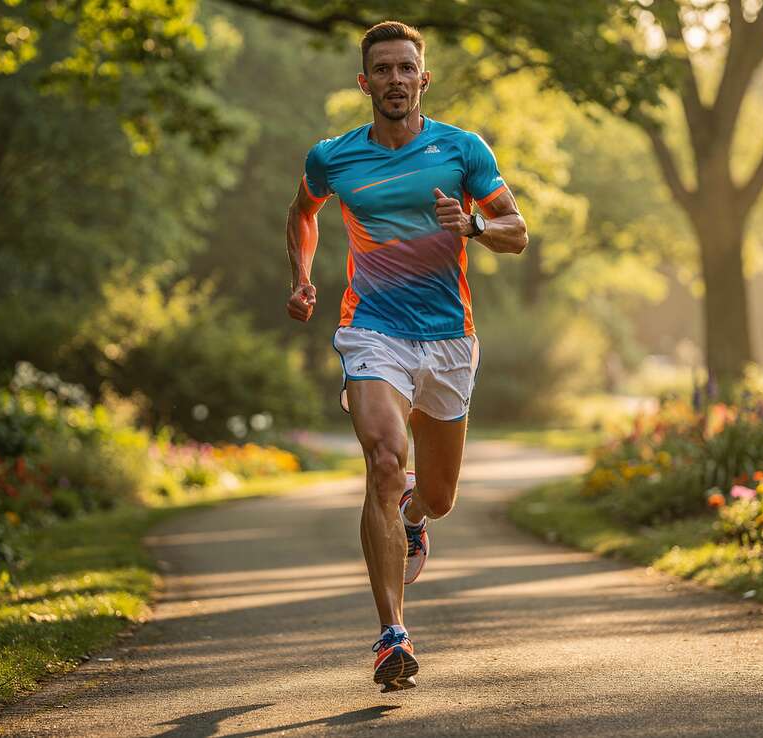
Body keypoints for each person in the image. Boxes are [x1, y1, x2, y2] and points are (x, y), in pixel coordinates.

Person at [285, 20, 528, 692]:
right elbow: (302, 212)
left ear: (423, 79)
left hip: (448, 338)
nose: (395, 80)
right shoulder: (333, 157)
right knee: (386, 460)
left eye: (405, 69)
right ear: (365, 83)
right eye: (382, 69)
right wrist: (303, 277)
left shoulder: (461, 149)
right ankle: (393, 634)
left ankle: (417, 520)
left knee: (439, 496)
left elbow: (518, 231)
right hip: (373, 329)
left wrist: (474, 225)